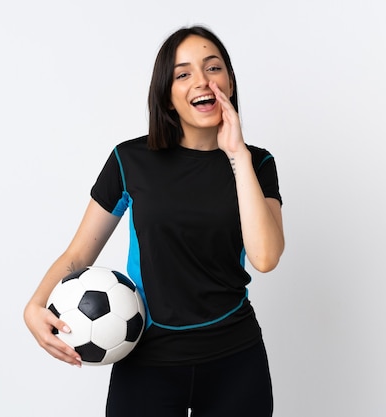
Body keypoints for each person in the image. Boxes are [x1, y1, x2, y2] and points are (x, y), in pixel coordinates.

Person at [23, 25, 285, 417]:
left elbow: (265, 258)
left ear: (228, 82)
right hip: (148, 362)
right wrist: (35, 305)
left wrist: (237, 154)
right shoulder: (130, 161)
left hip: (235, 358)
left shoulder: (257, 163)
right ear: (167, 94)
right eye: (183, 73)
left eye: (213, 68)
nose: (202, 81)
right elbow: (80, 254)